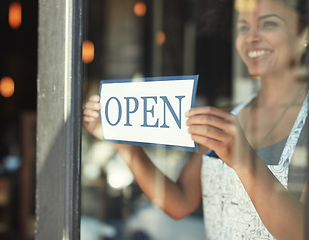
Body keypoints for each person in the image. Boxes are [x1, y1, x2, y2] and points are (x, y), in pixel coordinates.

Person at [83, 0, 309, 239]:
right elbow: (180, 203)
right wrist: (123, 144)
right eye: (243, 27)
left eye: (269, 24)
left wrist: (244, 161)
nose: (251, 37)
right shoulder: (226, 114)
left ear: (303, 34)